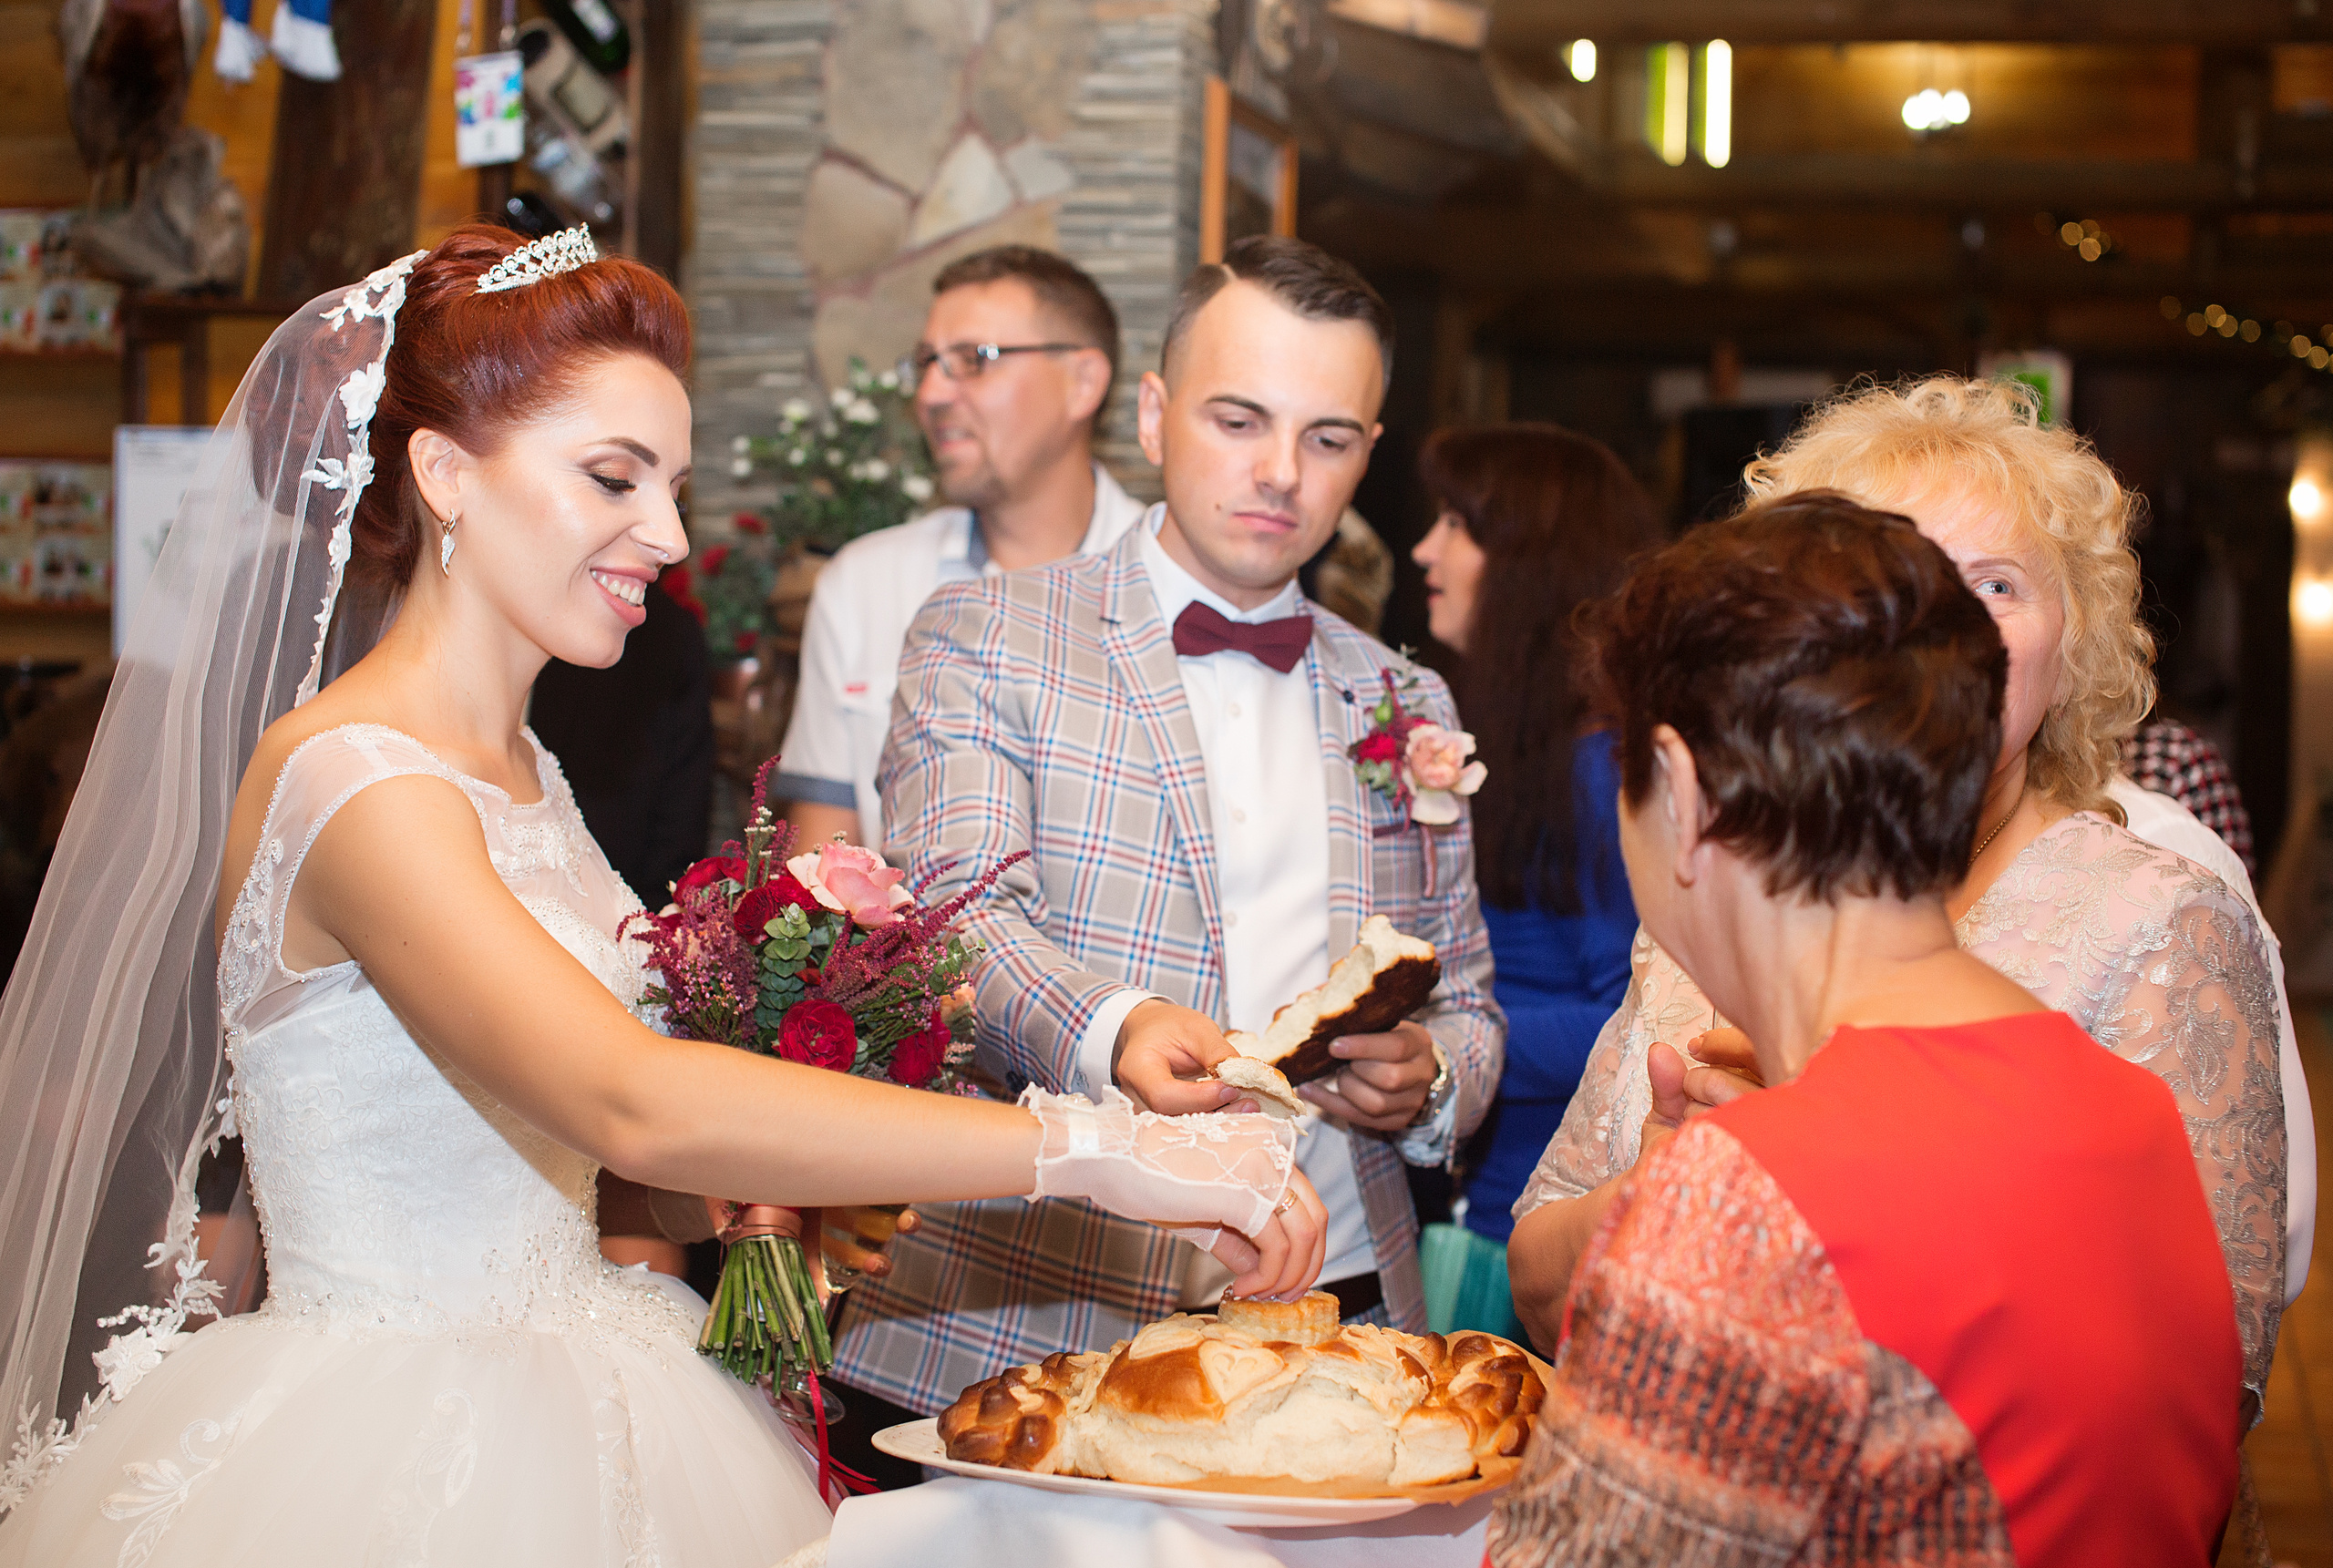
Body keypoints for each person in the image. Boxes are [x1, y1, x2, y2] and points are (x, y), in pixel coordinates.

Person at [0, 225, 1325, 1565]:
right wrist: (1103, 1152)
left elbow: (595, 1169)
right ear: (448, 475)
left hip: (603, 1377)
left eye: (676, 485)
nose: (671, 533)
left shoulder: (528, 770)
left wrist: (738, 1201)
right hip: (399, 1450)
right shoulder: (357, 787)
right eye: (614, 478)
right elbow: (629, 1095)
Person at [825, 237, 1504, 1463]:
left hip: (1331, 1310)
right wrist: (1120, 1028)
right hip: (1040, 1310)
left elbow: (1469, 999)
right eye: (1240, 419)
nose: (1282, 473)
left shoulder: (1408, 702)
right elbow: (949, 918)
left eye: (1330, 438)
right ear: (1153, 413)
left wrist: (1430, 1076)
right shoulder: (988, 634)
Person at [1506, 376, 2296, 1429]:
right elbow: (1536, 1282)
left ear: (2073, 646)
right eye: (1899, 580)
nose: (1945, 631)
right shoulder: (1721, 891)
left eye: (1998, 585)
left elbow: (2205, 1379)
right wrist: (1661, 1200)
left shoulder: (2158, 920)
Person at [1406, 425, 1655, 1338]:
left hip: (1531, 1211)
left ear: (1527, 563)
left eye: (1458, 523)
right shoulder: (1507, 737)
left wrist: (1450, 1038)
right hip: (1481, 1186)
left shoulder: (1598, 770)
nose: (1424, 548)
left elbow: (1634, 1013)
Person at [775, 245, 1147, 850]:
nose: (931, 393)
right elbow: (819, 870)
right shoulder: (864, 584)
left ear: (1083, 383)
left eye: (975, 359)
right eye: (927, 363)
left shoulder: (1167, 583)